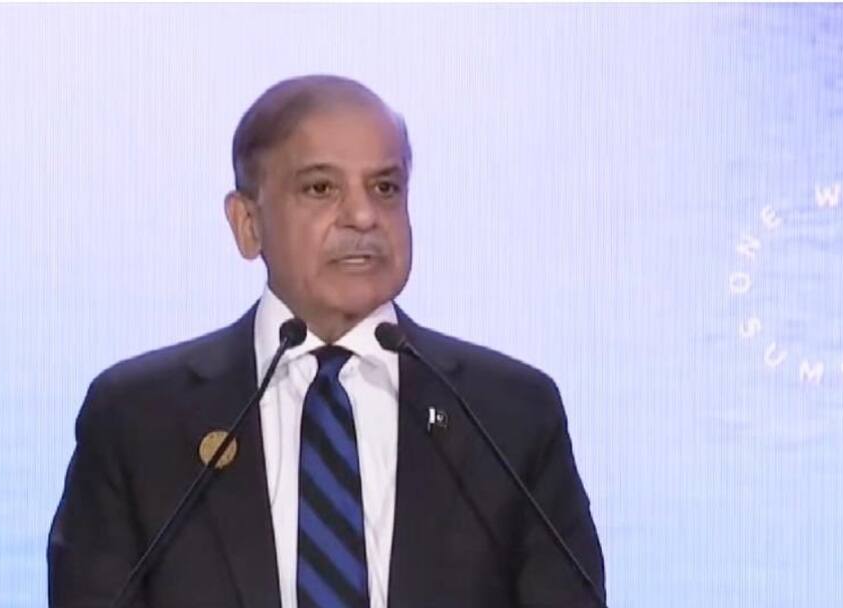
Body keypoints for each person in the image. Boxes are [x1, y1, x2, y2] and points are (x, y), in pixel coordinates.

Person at [48, 74, 605, 608]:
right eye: (320, 188)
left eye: (385, 188)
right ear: (247, 224)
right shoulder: (137, 418)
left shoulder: (509, 415)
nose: (363, 216)